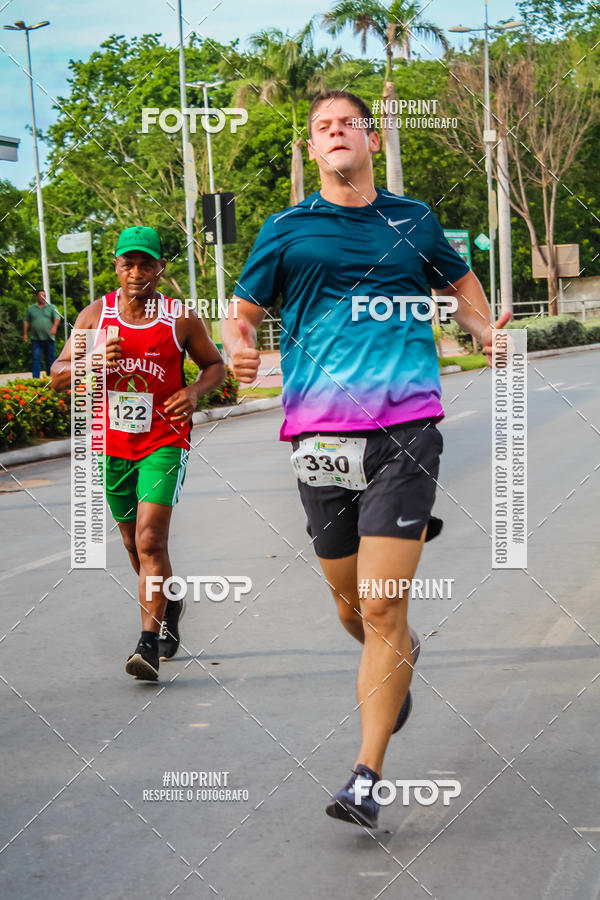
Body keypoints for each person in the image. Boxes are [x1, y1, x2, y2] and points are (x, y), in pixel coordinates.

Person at [222, 90, 511, 828]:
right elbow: (245, 309)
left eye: (348, 123)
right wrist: (241, 343)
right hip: (318, 439)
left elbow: (462, 284)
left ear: (372, 140)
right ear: (312, 150)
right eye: (323, 127)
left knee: (382, 603)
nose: (336, 132)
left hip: (406, 430)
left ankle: (366, 775)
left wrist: (483, 329)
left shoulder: (412, 220)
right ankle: (398, 659)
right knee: (352, 607)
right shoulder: (286, 229)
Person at [51, 226, 225, 680]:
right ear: (116, 267)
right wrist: (89, 360)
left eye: (146, 263)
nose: (136, 272)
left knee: (151, 539)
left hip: (164, 441)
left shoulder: (179, 318)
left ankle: (146, 645)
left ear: (159, 269)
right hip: (112, 444)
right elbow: (56, 375)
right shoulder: (96, 316)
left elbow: (215, 365)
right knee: (131, 543)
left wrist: (194, 391)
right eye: (128, 263)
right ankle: (169, 604)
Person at [24, 289, 60, 378]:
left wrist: (54, 327)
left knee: (50, 360)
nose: (43, 297)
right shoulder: (31, 308)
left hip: (49, 339)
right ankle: (35, 378)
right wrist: (25, 334)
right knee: (36, 359)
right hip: (36, 339)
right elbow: (26, 321)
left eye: (44, 295)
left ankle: (50, 377)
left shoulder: (52, 307)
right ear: (36, 297)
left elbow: (57, 318)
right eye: (41, 295)